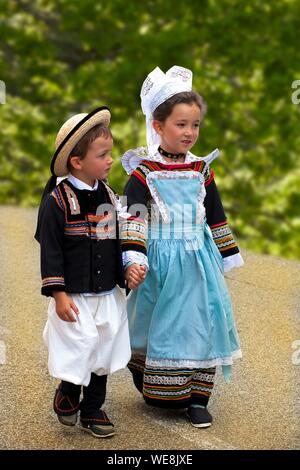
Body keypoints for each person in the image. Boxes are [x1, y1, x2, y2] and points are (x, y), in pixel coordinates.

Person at [121, 66, 244, 428]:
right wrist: (134, 255)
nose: (190, 132)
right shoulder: (144, 171)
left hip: (196, 258)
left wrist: (226, 252)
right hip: (159, 258)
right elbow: (134, 217)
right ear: (158, 126)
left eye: (195, 125)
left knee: (200, 320)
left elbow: (214, 212)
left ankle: (197, 397)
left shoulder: (201, 170)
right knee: (152, 322)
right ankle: (153, 383)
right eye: (181, 124)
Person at [35, 106, 138, 438]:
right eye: (102, 155)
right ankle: (68, 390)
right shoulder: (58, 201)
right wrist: (59, 294)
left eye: (110, 153)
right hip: (74, 294)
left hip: (106, 292)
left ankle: (93, 409)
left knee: (104, 349)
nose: (110, 160)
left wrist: (129, 269)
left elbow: (120, 238)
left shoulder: (109, 195)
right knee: (80, 344)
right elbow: (50, 250)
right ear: (77, 162)